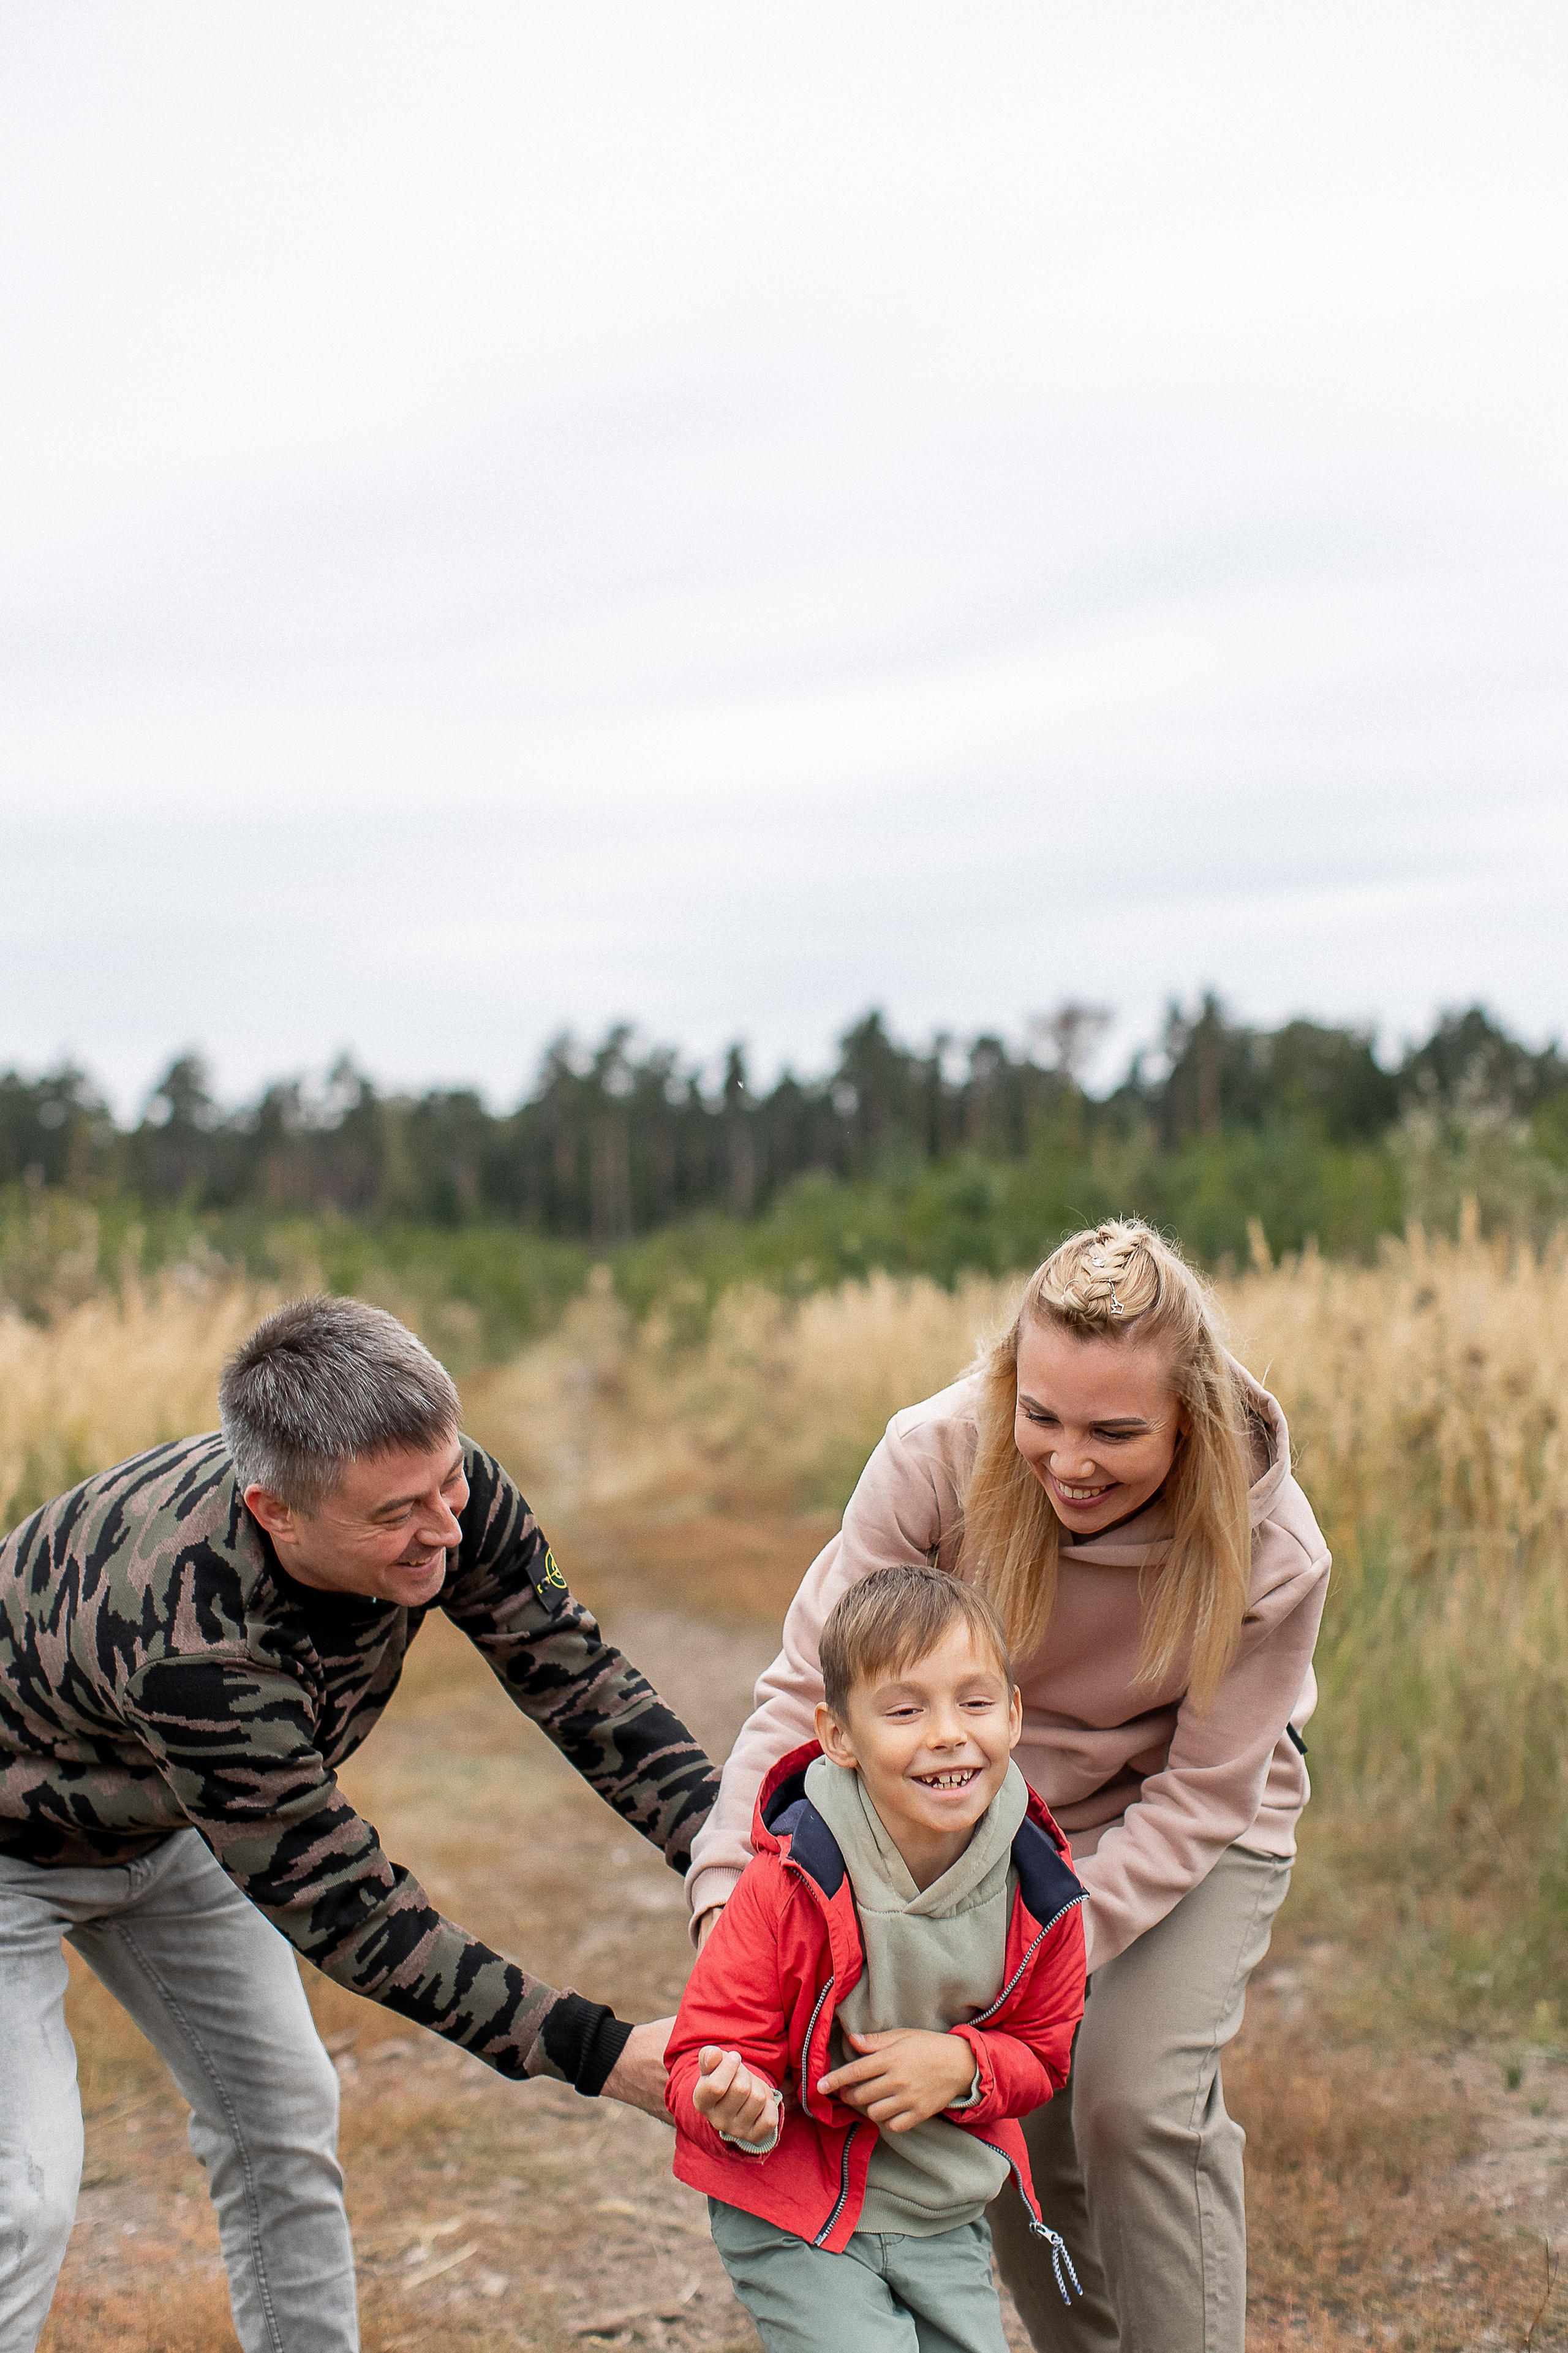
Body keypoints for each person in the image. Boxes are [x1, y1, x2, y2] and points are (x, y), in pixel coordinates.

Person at [0, 1293, 720, 2353]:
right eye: (395, 1515)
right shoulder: (194, 1641)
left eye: (449, 1483)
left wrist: (731, 1854)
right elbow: (354, 1913)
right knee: (27, 2194)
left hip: (172, 1826)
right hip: (14, 1847)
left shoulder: (444, 1488)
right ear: (275, 1510)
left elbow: (582, 1684)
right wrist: (602, 2052)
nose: (443, 1527)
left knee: (286, 2125)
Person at [685, 1220, 1330, 2353]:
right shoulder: (933, 1458)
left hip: (1189, 1824)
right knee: (1009, 2103)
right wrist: (730, 1891)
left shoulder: (1275, 1551)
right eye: (1042, 1416)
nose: (1070, 1460)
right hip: (974, 1819)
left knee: (1128, 2099)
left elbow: (1203, 1792)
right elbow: (808, 1693)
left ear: (1188, 1417)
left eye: (1117, 1431)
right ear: (1007, 1383)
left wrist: (1033, 1952)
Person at [668, 1566, 1087, 2353]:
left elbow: (1044, 2050)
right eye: (904, 1710)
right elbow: (702, 2050)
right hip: (794, 2204)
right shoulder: (790, 1880)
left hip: (938, 2204)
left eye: (975, 1701)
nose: (947, 1733)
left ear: (1014, 1712)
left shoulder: (1042, 1891)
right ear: (837, 1736)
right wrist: (732, 2098)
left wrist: (964, 2067)